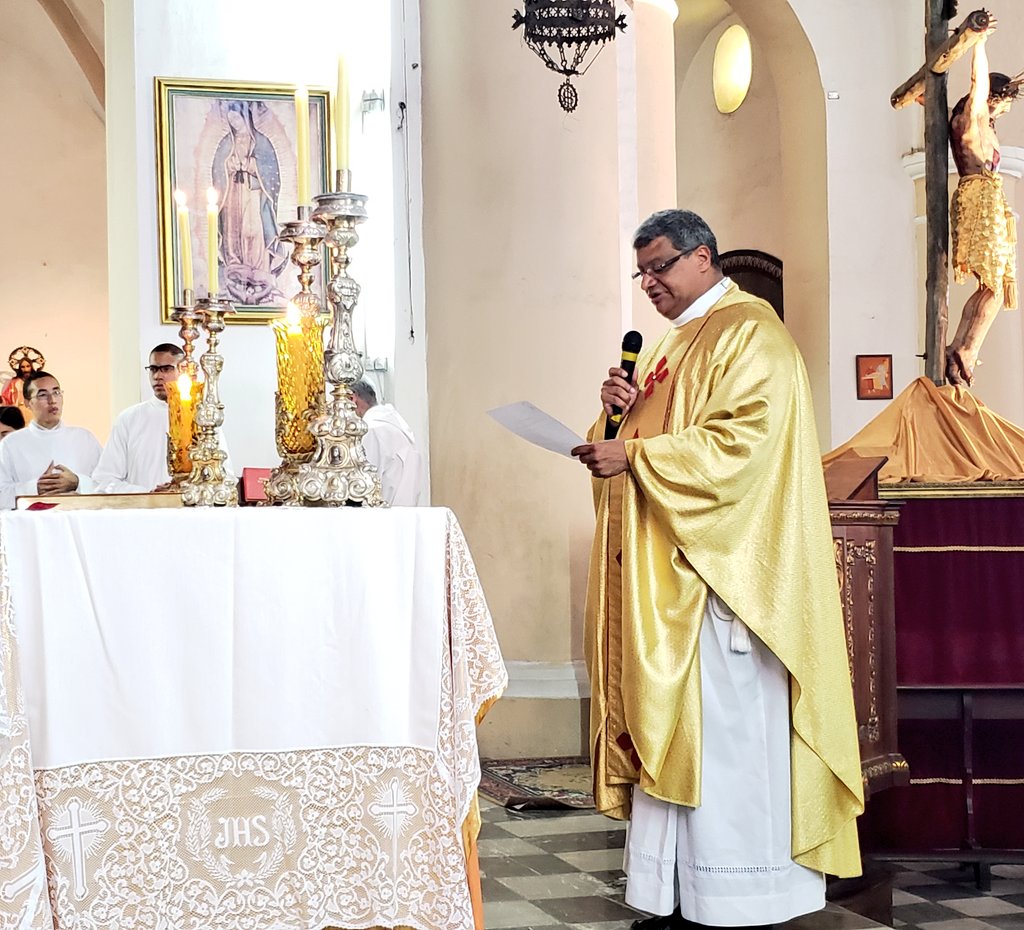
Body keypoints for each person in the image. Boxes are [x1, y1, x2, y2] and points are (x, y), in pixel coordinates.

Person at [570, 210, 863, 929]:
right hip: (673, 579)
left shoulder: (750, 333)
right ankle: (672, 896)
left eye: (660, 267)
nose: (649, 284)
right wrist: (618, 422)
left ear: (704, 258)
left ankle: (741, 897)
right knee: (675, 736)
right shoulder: (677, 344)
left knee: (727, 749)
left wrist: (636, 453)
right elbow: (655, 447)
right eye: (641, 272)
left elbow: (743, 448)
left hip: (725, 584)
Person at [946, 14, 1021, 386]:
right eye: (1006, 103)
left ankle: (960, 346)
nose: (1007, 111)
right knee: (995, 287)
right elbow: (978, 83)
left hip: (977, 198)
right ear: (995, 98)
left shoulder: (971, 121)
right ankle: (968, 351)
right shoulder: (973, 116)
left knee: (988, 286)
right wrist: (979, 42)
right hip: (980, 201)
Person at [0, 371, 102, 509]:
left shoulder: (85, 438)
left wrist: (78, 483)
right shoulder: (10, 443)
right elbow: (2, 495)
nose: (52, 400)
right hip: (32, 525)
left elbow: (107, 485)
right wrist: (35, 488)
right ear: (28, 402)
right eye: (42, 395)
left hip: (78, 521)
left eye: (56, 392)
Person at [93, 344, 183, 493]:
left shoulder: (201, 418)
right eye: (153, 369)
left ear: (183, 371)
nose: (157, 376)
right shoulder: (129, 419)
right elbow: (104, 480)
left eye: (166, 369)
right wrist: (147, 493)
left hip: (188, 511)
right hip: (142, 511)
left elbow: (224, 477)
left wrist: (180, 490)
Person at [351, 380, 422, 506]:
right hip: (402, 513)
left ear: (353, 399)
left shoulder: (372, 430)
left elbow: (363, 484)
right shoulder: (396, 426)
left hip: (380, 516)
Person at [0, 346, 46, 422]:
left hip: (34, 412)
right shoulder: (14, 382)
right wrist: (2, 400)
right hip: (18, 413)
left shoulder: (36, 381)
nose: (25, 369)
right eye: (23, 367)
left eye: (28, 366)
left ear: (31, 367)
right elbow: (6, 398)